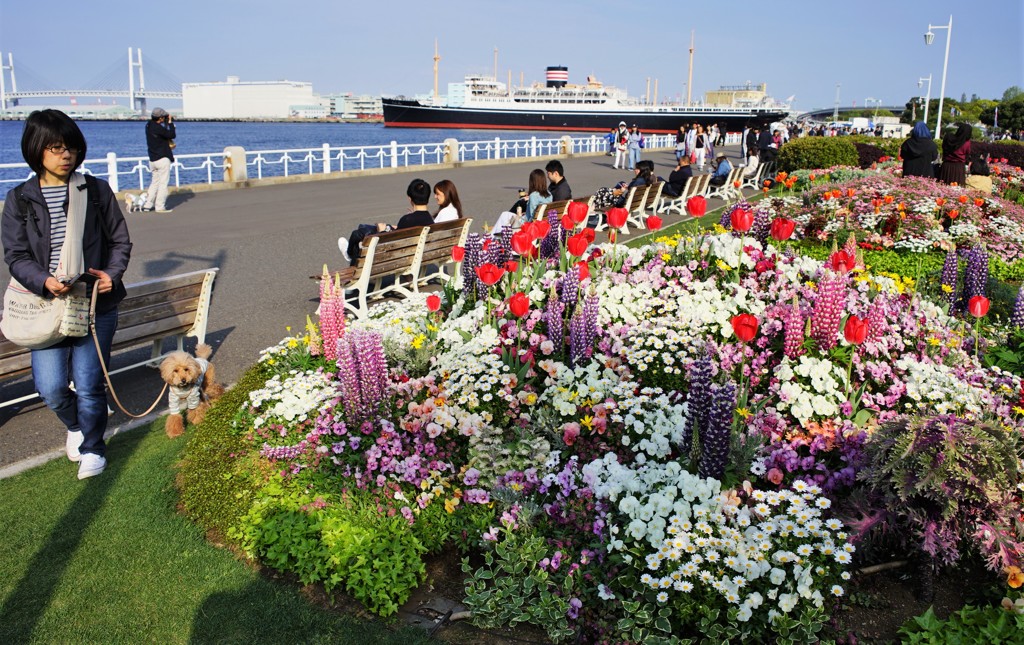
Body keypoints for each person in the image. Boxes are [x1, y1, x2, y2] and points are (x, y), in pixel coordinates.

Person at [1, 109, 132, 480]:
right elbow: (16, 256)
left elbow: (119, 241)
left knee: (89, 383)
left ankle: (93, 448)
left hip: (94, 304)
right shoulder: (20, 200)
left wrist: (112, 273)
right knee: (52, 387)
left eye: (71, 147)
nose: (66, 155)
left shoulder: (96, 190)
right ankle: (74, 425)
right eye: (56, 148)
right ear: (36, 150)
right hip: (46, 304)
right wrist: (43, 280)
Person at [338, 178, 434, 265]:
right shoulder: (430, 220)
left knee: (359, 233)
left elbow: (388, 246)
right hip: (416, 254)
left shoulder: (407, 219)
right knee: (363, 230)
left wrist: (381, 231)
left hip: (395, 256)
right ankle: (353, 246)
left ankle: (350, 256)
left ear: (410, 199)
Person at [492, 169, 552, 235]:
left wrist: (520, 217)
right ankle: (494, 236)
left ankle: (490, 237)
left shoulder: (533, 196)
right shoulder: (549, 194)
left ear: (532, 182)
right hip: (544, 224)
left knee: (505, 215)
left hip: (527, 225)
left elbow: (532, 219)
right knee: (506, 216)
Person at [143, 107, 176, 213]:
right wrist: (170, 123)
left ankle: (147, 205)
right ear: (161, 118)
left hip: (152, 159)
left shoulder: (148, 126)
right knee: (163, 184)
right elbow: (172, 135)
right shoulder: (159, 128)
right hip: (162, 159)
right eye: (163, 117)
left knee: (154, 182)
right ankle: (160, 206)